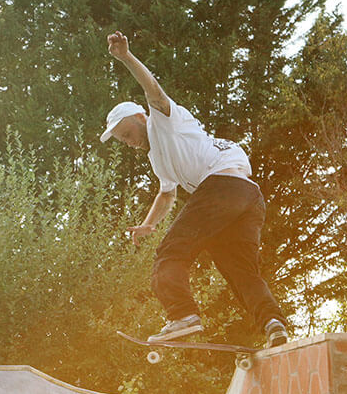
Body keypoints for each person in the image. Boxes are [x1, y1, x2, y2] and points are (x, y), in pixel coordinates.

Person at [102, 31, 289, 348]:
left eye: (126, 133)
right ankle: (273, 324)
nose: (128, 142)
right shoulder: (158, 156)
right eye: (122, 140)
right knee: (241, 271)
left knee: (169, 254)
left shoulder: (163, 120)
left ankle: (183, 315)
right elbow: (167, 193)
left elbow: (155, 92)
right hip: (247, 196)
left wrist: (125, 57)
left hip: (222, 188)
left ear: (138, 117)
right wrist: (150, 223)